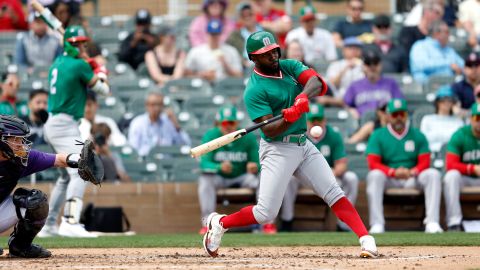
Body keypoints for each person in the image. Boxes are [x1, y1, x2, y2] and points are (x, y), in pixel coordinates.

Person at [202, 31, 378, 259]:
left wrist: (302, 97)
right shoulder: (254, 90)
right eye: (266, 54)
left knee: (333, 192)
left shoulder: (289, 66)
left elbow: (318, 83)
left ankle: (366, 239)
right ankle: (221, 222)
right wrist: (291, 116)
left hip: (303, 144)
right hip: (277, 149)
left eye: (274, 50)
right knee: (265, 213)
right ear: (253, 58)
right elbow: (269, 130)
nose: (273, 56)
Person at [40, 25, 110, 238]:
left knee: (64, 177)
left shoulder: (58, 62)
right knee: (81, 169)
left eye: (83, 43)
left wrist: (87, 63)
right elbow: (103, 90)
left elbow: (76, 71)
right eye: (78, 43)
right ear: (70, 45)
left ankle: (49, 225)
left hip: (54, 124)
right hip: (64, 125)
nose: (81, 47)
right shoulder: (79, 65)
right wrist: (100, 69)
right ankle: (70, 221)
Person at [0, 115, 94, 257]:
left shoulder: (20, 159)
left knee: (36, 201)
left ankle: (20, 247)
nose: (21, 144)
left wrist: (79, 160)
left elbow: (57, 159)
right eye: (15, 139)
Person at [365, 98, 443, 234]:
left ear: (407, 115)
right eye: (395, 115)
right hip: (390, 178)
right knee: (374, 175)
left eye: (402, 114)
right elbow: (373, 163)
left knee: (433, 174)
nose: (399, 118)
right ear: (388, 116)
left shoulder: (418, 135)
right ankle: (377, 223)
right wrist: (393, 172)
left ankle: (432, 222)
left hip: (412, 177)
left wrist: (412, 172)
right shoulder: (378, 135)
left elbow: (425, 161)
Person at [280, 104, 359, 232]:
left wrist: (332, 171)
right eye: (313, 120)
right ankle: (287, 221)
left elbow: (341, 164)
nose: (316, 123)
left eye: (319, 119)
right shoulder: (298, 135)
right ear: (307, 121)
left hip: (328, 178)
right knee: (289, 179)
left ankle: (343, 225)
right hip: (302, 178)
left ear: (324, 120)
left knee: (351, 178)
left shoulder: (333, 135)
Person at [198, 105, 260, 234]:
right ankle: (207, 223)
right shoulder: (211, 135)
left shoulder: (247, 137)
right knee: (205, 180)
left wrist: (254, 166)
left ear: (236, 123)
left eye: (231, 122)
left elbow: (258, 163)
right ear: (218, 123)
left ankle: (266, 223)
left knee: (262, 181)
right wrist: (218, 167)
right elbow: (204, 163)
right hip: (219, 177)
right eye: (224, 123)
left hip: (243, 176)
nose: (227, 126)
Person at [443, 103, 480, 231]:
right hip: (466, 179)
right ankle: (454, 223)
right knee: (451, 176)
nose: (479, 122)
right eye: (477, 118)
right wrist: (472, 168)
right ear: (471, 119)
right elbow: (450, 164)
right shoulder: (460, 135)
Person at [344, 49, 404, 119]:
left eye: (375, 63)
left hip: (386, 121)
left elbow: (399, 103)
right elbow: (346, 104)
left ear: (380, 65)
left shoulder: (391, 83)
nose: (372, 67)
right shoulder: (354, 85)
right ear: (363, 66)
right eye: (368, 63)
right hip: (361, 120)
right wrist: (351, 110)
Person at [127, 91, 190, 157]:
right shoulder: (138, 123)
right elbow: (133, 149)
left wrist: (176, 125)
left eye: (159, 105)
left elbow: (185, 145)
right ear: (147, 105)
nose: (156, 108)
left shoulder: (168, 122)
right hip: (145, 161)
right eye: (153, 105)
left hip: (167, 162)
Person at [185, 19, 243, 83]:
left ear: (220, 34)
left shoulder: (231, 51)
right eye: (212, 34)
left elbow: (239, 75)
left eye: (216, 34)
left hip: (225, 87)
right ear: (207, 34)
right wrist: (201, 75)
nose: (214, 37)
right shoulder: (196, 51)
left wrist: (225, 64)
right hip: (202, 87)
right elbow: (186, 74)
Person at [420, 86, 464, 153]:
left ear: (453, 103)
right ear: (437, 102)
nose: (446, 103)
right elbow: (423, 141)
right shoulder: (427, 119)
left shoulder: (458, 121)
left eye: (449, 100)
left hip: (452, 155)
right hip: (432, 154)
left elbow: (460, 141)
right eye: (443, 100)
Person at [226, 2, 269, 69]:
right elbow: (229, 52)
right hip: (244, 69)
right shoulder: (234, 35)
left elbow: (278, 51)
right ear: (240, 18)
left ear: (255, 14)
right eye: (244, 16)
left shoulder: (267, 32)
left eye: (250, 14)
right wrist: (241, 61)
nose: (247, 17)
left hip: (267, 67)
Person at [452, 52, 480, 116]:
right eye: (470, 65)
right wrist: (474, 113)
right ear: (464, 69)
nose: (474, 69)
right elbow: (456, 110)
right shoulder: (457, 87)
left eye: (476, 65)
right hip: (466, 122)